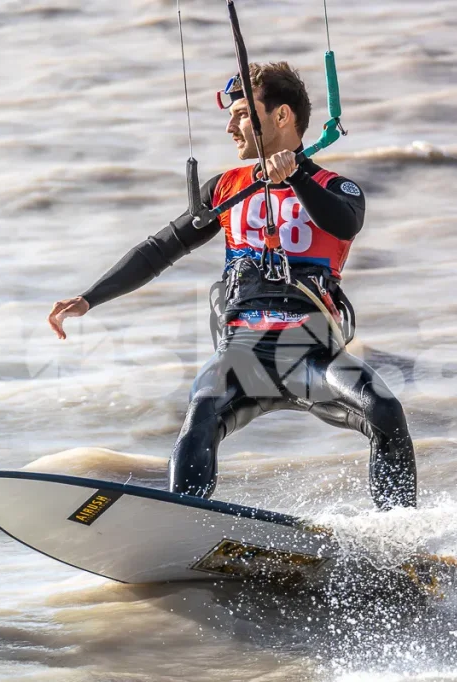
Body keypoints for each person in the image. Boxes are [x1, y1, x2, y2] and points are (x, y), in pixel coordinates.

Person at [46, 62, 416, 510]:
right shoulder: (226, 189)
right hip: (242, 354)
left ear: (282, 116)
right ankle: (183, 521)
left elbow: (343, 223)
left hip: (314, 354)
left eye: (242, 114)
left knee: (384, 409)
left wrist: (295, 175)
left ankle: (398, 534)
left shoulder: (337, 188)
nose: (229, 127)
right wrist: (90, 298)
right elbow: (159, 250)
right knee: (202, 411)